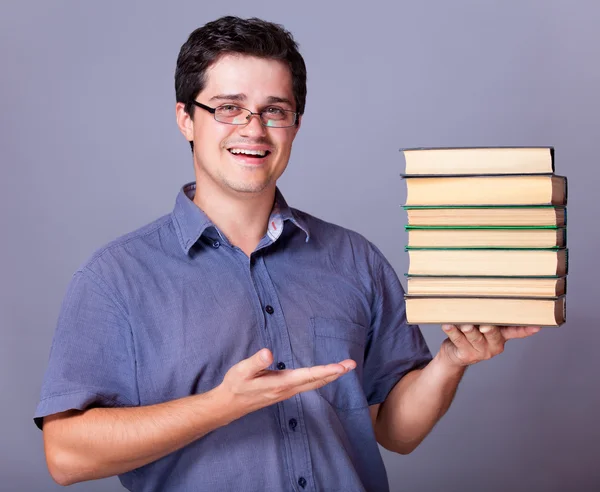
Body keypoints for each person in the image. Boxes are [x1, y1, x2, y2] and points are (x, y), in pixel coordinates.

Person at [34, 15, 541, 492]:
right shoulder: (115, 278)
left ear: (295, 125)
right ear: (186, 119)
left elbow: (396, 431)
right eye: (228, 107)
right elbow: (66, 455)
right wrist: (220, 406)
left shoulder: (355, 260)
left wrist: (451, 361)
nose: (253, 129)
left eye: (274, 110)